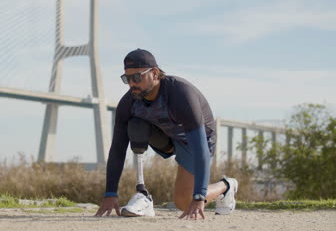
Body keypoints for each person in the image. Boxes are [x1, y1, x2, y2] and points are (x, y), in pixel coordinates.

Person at [94, 49, 238, 219]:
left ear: (154, 73)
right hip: (167, 138)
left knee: (184, 202)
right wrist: (110, 193)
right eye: (127, 78)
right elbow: (118, 149)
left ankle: (226, 186)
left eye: (137, 77)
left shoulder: (181, 94)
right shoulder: (128, 103)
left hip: (193, 141)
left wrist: (199, 197)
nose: (132, 83)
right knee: (135, 124)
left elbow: (201, 150)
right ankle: (143, 196)